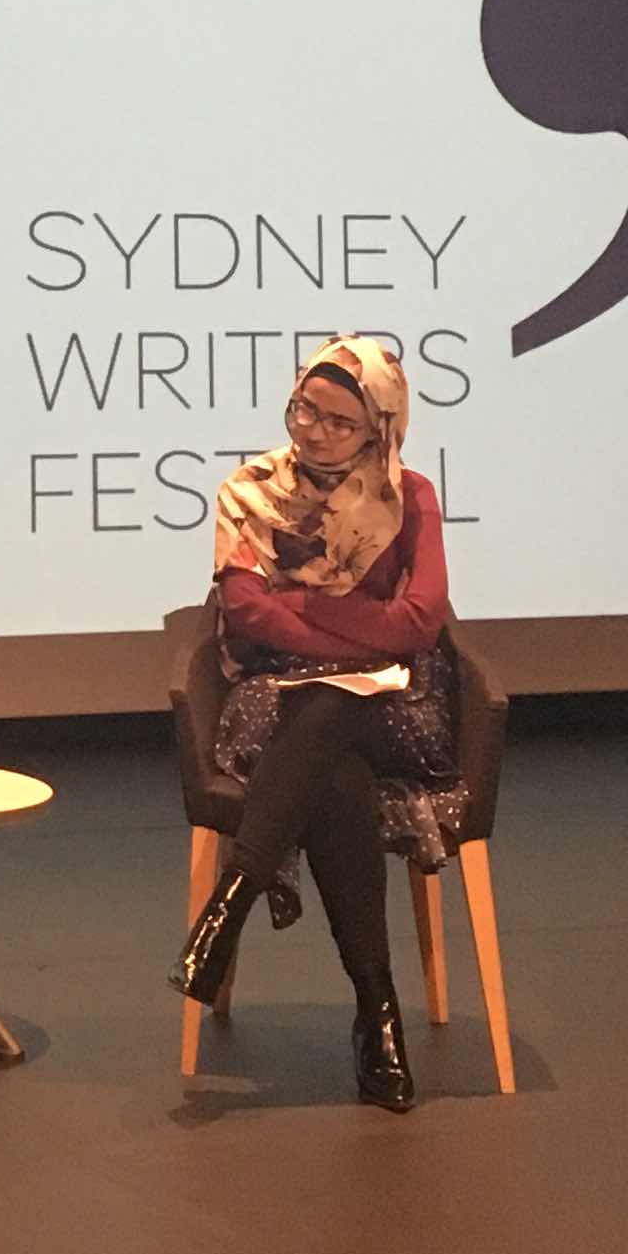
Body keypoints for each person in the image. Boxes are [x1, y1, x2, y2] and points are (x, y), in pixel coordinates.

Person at [171, 337, 455, 1112]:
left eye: (339, 421)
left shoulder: (411, 495)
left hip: (395, 703)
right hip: (278, 699)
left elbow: (422, 623)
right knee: (333, 765)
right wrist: (363, 632)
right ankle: (377, 1012)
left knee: (331, 707)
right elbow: (247, 613)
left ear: (379, 427)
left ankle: (233, 900)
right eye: (304, 410)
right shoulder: (250, 491)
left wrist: (305, 607)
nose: (315, 431)